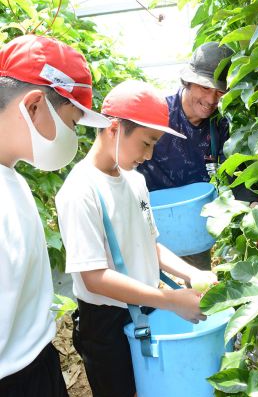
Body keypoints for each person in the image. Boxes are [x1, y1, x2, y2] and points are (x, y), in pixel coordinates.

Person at [55, 79, 217, 397]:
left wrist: (191, 273)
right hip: (106, 323)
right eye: (146, 143)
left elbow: (148, 243)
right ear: (114, 128)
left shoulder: (135, 180)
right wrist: (170, 301)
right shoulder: (80, 191)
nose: (150, 154)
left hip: (146, 304)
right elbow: (93, 278)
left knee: (154, 386)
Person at [0, 34, 111, 396]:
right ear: (33, 106)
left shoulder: (13, 180)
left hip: (36, 366)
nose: (74, 136)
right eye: (73, 121)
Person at [137, 42, 258, 270]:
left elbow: (235, 171)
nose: (212, 100)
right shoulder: (159, 114)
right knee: (147, 294)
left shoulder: (220, 126)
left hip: (192, 229)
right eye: (205, 88)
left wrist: (254, 206)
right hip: (151, 225)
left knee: (199, 288)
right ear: (188, 82)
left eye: (220, 91)